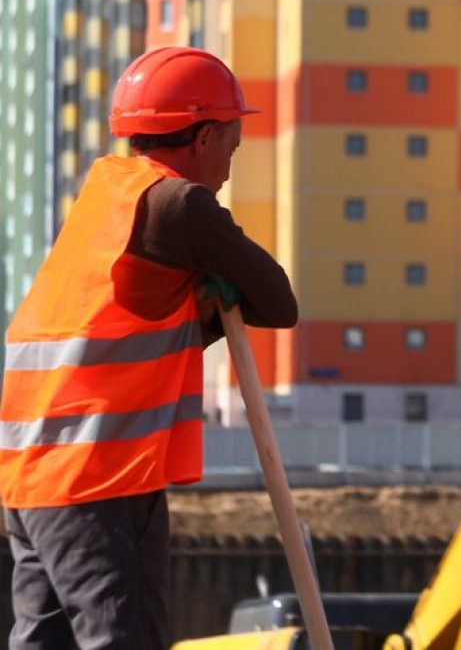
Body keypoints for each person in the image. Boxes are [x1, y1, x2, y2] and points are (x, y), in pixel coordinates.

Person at [0, 46, 298, 649]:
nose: (229, 169)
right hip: (101, 479)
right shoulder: (178, 204)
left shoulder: (105, 199)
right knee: (125, 638)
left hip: (31, 477)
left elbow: (128, 321)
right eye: (232, 149)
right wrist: (213, 294)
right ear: (204, 136)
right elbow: (278, 302)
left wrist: (197, 308)